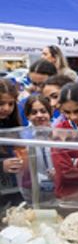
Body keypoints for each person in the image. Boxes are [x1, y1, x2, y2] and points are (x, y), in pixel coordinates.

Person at [0, 79, 24, 210]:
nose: (6, 108)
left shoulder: (11, 126)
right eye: (1, 103)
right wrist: (1, 166)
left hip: (11, 190)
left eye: (11, 104)